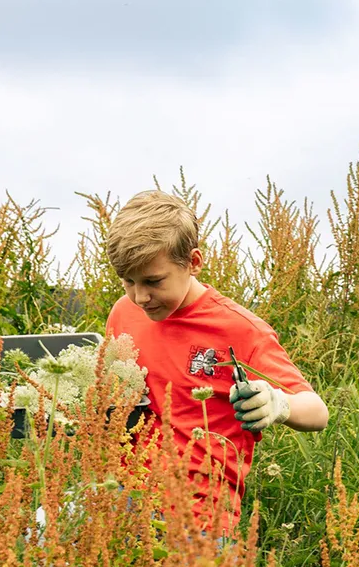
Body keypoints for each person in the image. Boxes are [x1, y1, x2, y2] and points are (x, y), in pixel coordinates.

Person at [104, 190, 328, 539]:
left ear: (193, 262)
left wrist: (278, 404)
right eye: (128, 281)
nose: (140, 297)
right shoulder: (124, 312)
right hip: (122, 499)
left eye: (153, 281)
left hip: (199, 521)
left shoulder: (241, 330)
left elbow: (317, 412)